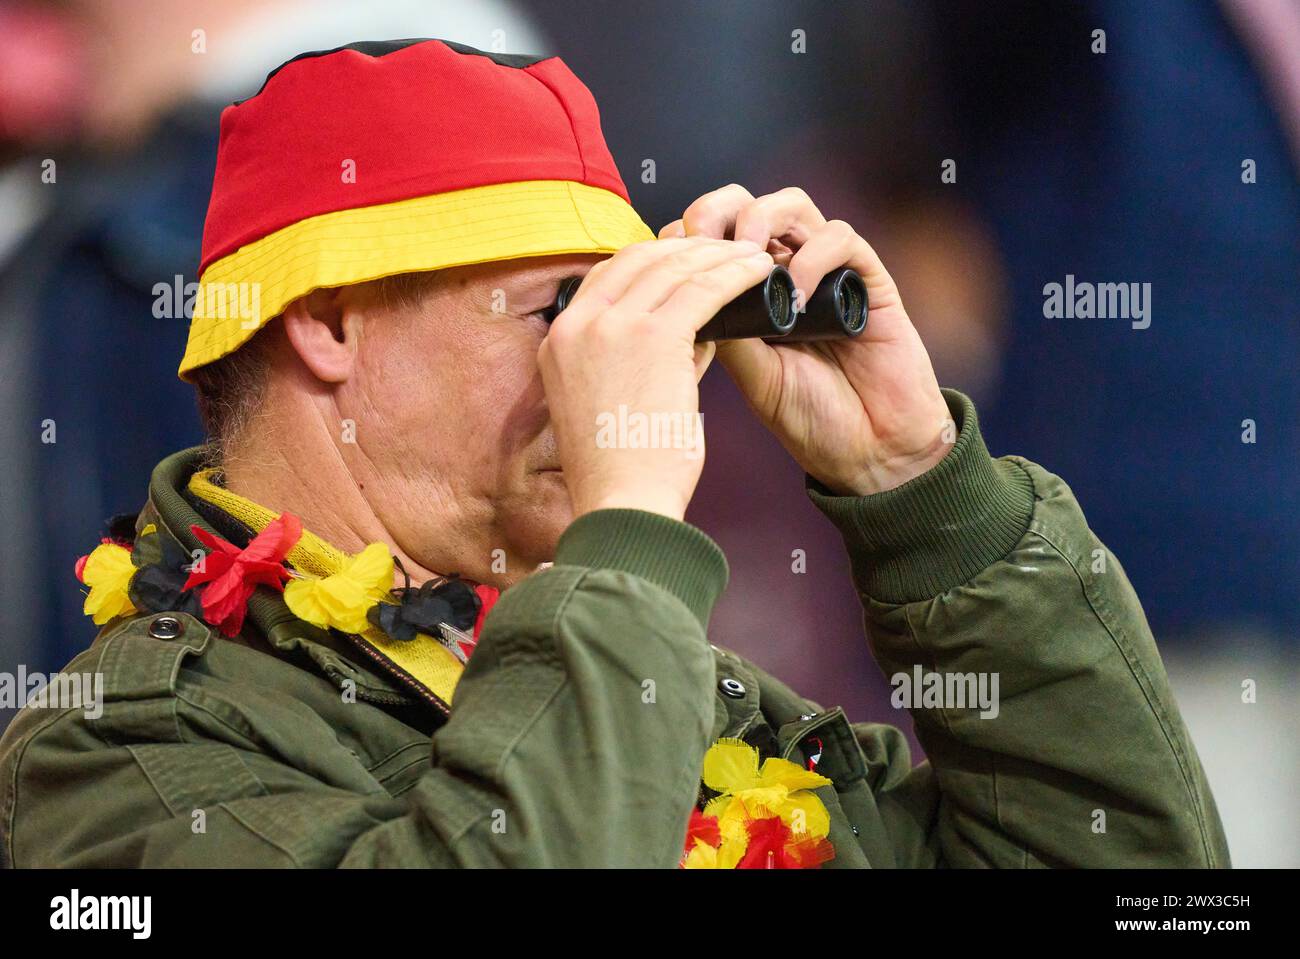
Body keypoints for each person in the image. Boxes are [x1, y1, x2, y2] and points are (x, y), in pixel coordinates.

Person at [0, 38, 1229, 869]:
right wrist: (631, 528)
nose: (623, 362)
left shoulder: (665, 682)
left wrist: (918, 488)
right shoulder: (115, 755)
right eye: (562, 312)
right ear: (327, 323)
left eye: (636, 311)